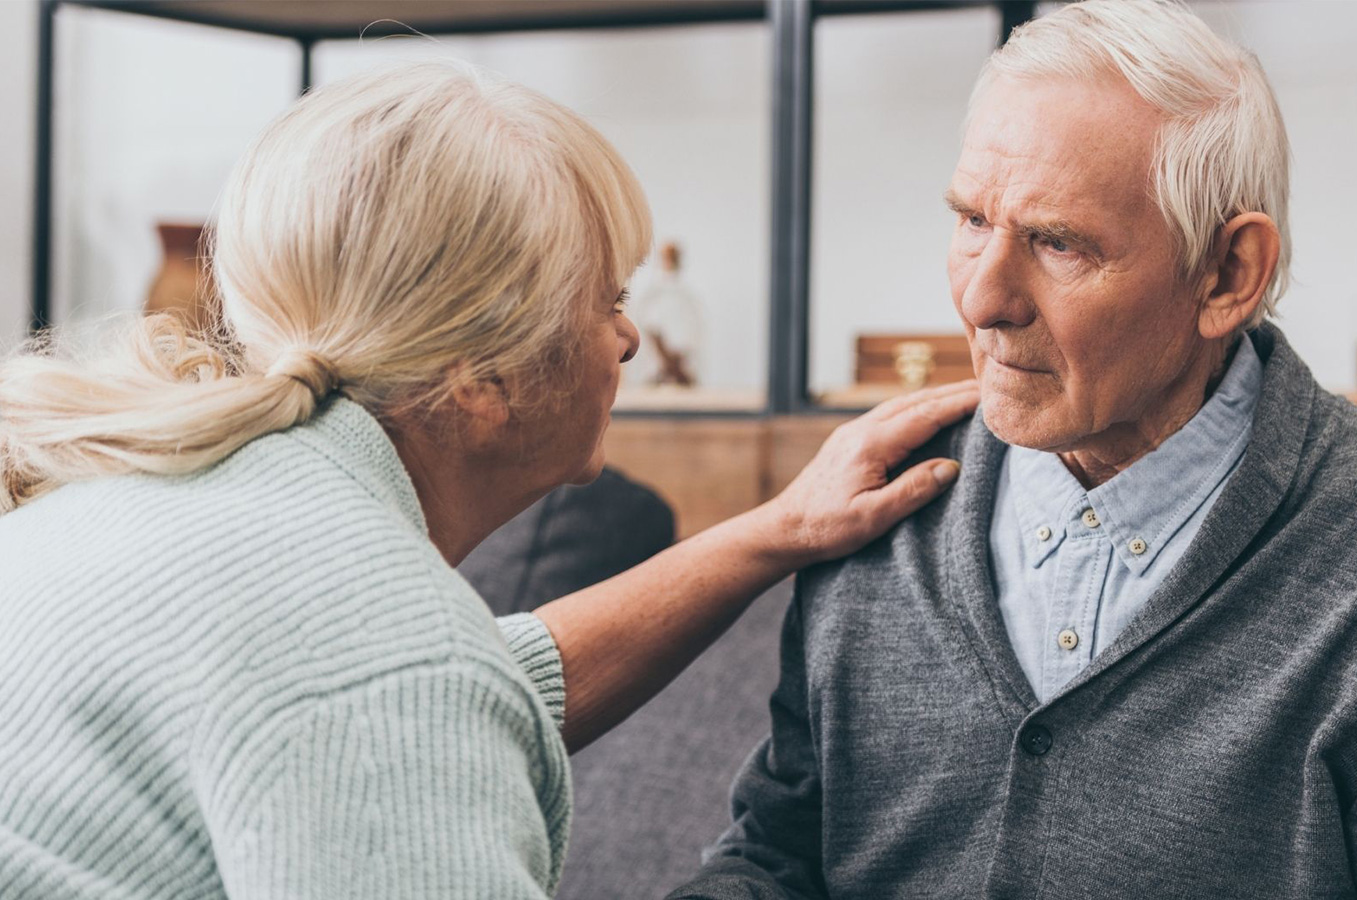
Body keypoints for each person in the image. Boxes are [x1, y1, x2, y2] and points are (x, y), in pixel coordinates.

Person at [671, 2, 1357, 897]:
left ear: (1229, 275)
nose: (982, 301)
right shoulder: (876, 500)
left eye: (1058, 242)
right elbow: (775, 854)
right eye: (972, 221)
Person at [0, 61, 979, 900]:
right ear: (484, 378)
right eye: (608, 300)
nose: (631, 339)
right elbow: (405, 696)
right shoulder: (389, 673)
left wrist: (774, 530)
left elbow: (459, 685)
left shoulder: (150, 498)